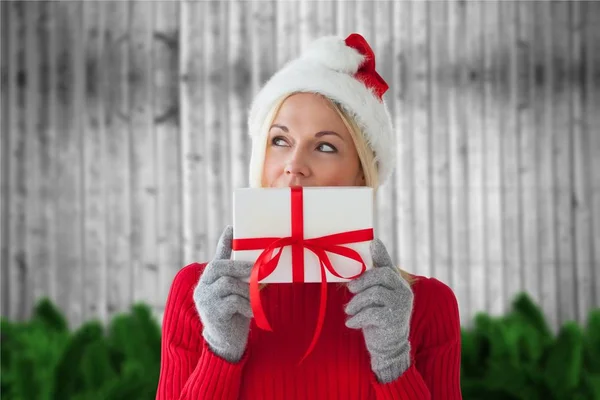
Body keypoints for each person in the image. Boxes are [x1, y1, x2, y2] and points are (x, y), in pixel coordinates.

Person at [156, 33, 462, 400]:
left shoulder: (427, 305)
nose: (294, 166)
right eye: (280, 140)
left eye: (325, 146)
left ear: (362, 173)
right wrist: (220, 349)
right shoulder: (200, 295)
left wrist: (394, 360)